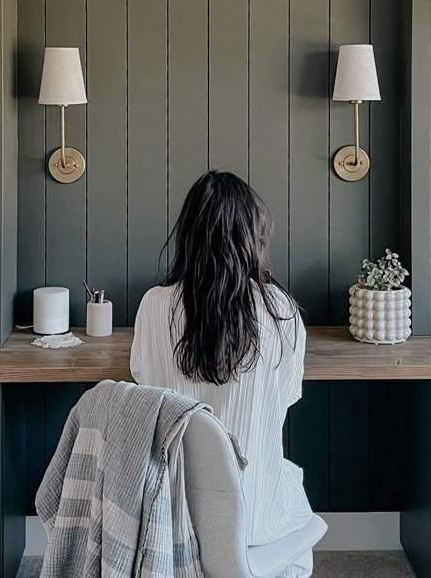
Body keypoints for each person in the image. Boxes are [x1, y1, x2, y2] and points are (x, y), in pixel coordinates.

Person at [130, 170, 316, 578]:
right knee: (287, 479)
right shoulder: (279, 312)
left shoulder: (154, 306)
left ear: (189, 235)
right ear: (251, 236)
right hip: (254, 518)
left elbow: (148, 390)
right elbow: (284, 400)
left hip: (173, 518)